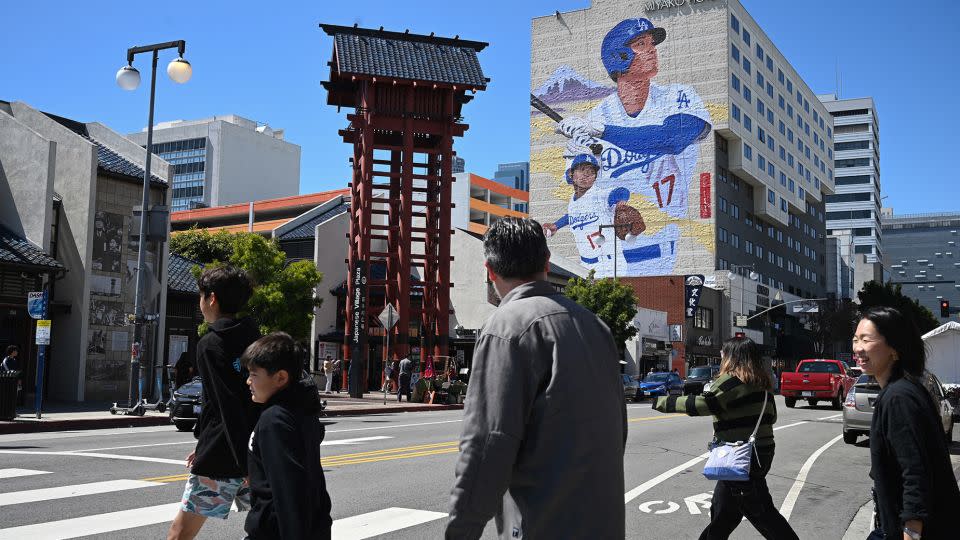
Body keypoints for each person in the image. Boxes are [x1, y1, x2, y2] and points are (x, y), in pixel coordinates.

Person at [446, 217, 627, 539]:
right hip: (604, 521)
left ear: (490, 270)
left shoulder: (506, 327)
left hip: (541, 523)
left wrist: (461, 530)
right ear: (546, 262)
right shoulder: (595, 326)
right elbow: (618, 429)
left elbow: (489, 442)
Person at [554, 18, 712, 276]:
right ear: (619, 55)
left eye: (652, 43)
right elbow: (577, 185)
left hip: (659, 253)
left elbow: (671, 139)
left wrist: (602, 132)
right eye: (641, 44)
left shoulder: (678, 97)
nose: (652, 49)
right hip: (603, 255)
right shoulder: (596, 116)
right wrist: (577, 146)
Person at [652, 337, 798, 540]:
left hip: (739, 458)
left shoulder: (731, 382)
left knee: (763, 515)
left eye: (723, 352)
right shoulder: (762, 385)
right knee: (724, 514)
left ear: (732, 357)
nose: (721, 355)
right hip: (760, 455)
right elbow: (772, 417)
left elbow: (705, 404)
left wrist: (661, 401)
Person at [168, 266, 261, 540]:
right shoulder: (256, 338)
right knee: (272, 527)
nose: (200, 303)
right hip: (258, 448)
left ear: (211, 299)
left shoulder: (211, 344)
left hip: (225, 454)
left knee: (179, 534)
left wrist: (244, 465)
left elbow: (226, 405)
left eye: (201, 296)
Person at [853, 307, 960, 539]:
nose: (857, 348)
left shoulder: (898, 398)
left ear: (894, 348)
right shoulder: (903, 390)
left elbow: (914, 470)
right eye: (855, 339)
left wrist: (912, 531)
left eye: (866, 340)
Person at [241, 332, 332, 539]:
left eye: (254, 375)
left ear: (281, 377)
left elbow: (289, 493)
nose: (248, 381)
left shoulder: (275, 420)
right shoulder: (299, 410)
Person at [541, 154, 644, 274]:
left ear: (595, 178)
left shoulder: (600, 195)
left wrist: (621, 201)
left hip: (609, 264)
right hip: (585, 265)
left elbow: (621, 191)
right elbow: (571, 216)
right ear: (572, 174)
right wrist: (556, 225)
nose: (586, 174)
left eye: (591, 172)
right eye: (582, 170)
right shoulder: (573, 201)